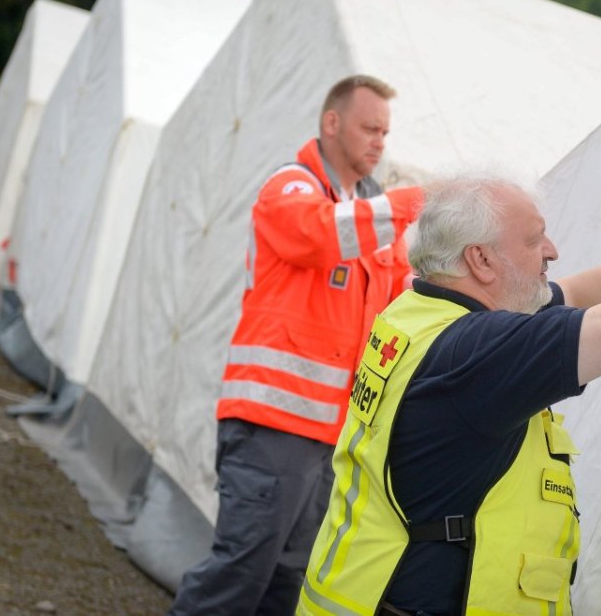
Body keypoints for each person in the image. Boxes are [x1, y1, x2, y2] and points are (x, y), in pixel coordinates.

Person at [297, 176, 601, 615]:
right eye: (534, 240)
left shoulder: (424, 312)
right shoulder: (478, 353)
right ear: (481, 259)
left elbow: (578, 289)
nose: (552, 249)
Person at [170, 75, 424, 615]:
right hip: (272, 426)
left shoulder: (368, 215)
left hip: (328, 437)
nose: (380, 141)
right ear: (331, 123)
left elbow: (401, 298)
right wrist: (410, 204)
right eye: (369, 127)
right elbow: (316, 236)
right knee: (239, 574)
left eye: (386, 131)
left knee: (288, 583)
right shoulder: (293, 188)